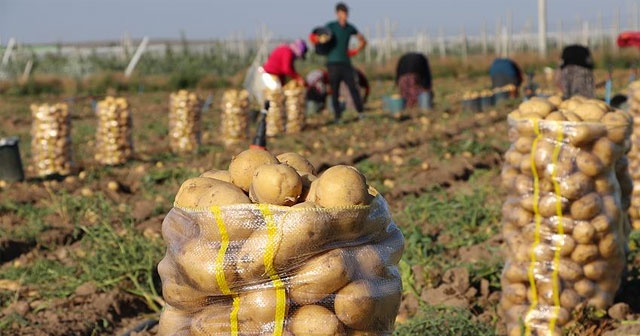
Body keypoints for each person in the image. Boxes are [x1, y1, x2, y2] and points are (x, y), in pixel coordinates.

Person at [310, 2, 367, 122]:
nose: (345, 15)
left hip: (345, 62)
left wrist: (355, 51)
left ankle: (361, 113)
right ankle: (337, 117)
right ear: (337, 14)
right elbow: (317, 36)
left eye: (346, 13)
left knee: (353, 88)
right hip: (332, 63)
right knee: (334, 90)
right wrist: (316, 40)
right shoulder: (331, 26)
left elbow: (362, 40)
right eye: (342, 13)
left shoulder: (350, 28)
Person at [305, 67, 369, 114]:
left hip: (319, 92)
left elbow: (367, 88)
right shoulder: (323, 77)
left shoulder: (329, 77)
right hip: (314, 94)